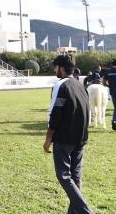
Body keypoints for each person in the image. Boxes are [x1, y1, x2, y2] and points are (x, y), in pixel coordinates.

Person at [44, 54, 94, 214]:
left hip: (65, 139)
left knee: (64, 176)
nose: (54, 70)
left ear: (61, 68)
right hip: (81, 138)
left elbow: (55, 112)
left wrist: (48, 138)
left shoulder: (61, 85)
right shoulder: (80, 85)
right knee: (75, 176)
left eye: (55, 67)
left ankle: (86, 211)